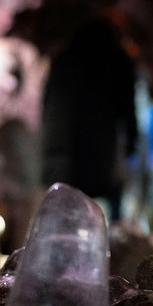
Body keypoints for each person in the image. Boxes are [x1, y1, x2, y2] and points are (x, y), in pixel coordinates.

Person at [41, 16, 137, 220]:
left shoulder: (63, 59)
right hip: (97, 148)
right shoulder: (115, 60)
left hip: (59, 149)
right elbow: (127, 105)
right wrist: (131, 142)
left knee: (61, 212)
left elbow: (47, 104)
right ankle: (111, 237)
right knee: (99, 213)